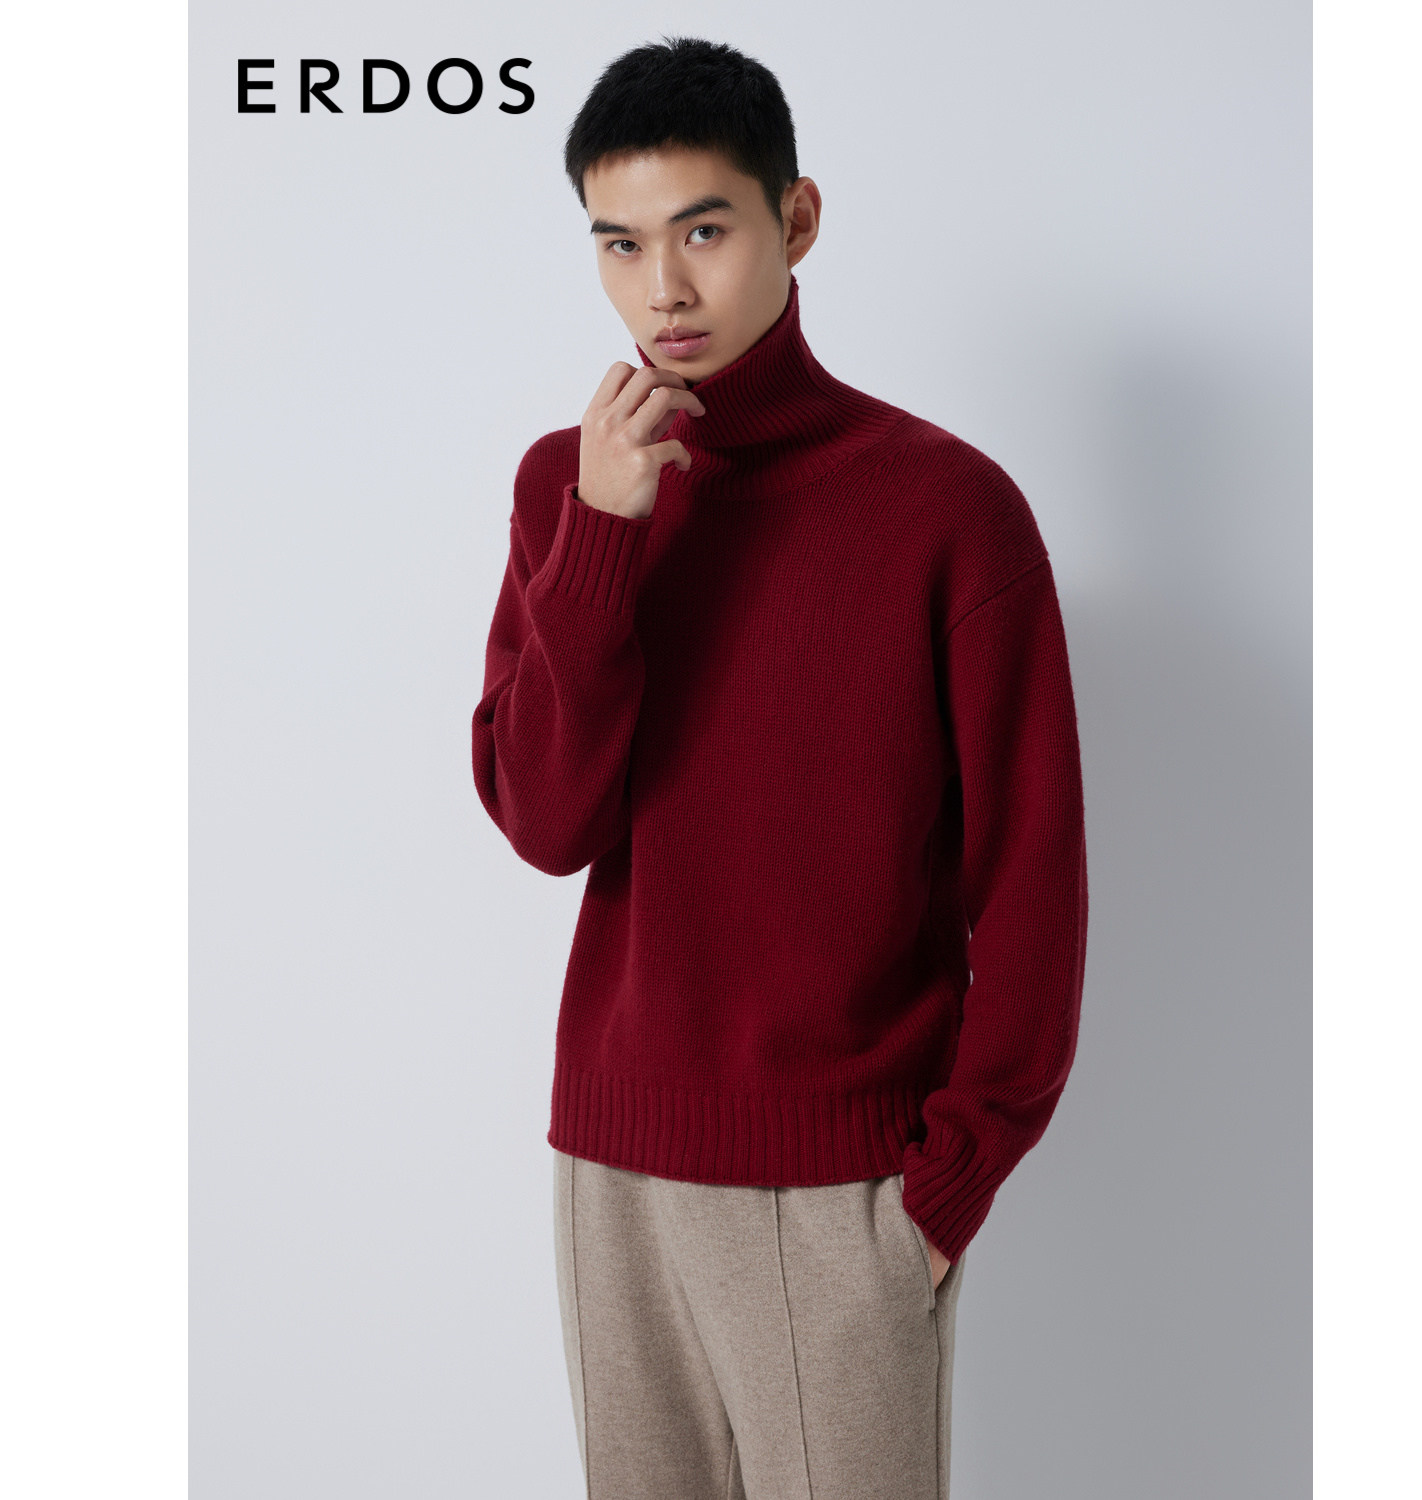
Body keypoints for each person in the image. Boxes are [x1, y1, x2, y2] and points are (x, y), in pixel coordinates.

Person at [471, 35, 1088, 1500]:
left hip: (844, 1190)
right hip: (614, 1167)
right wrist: (604, 536)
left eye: (703, 232)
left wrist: (944, 1186)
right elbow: (548, 821)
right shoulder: (568, 485)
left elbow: (1033, 877)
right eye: (620, 245)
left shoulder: (949, 510)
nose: (663, 291)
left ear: (796, 221)